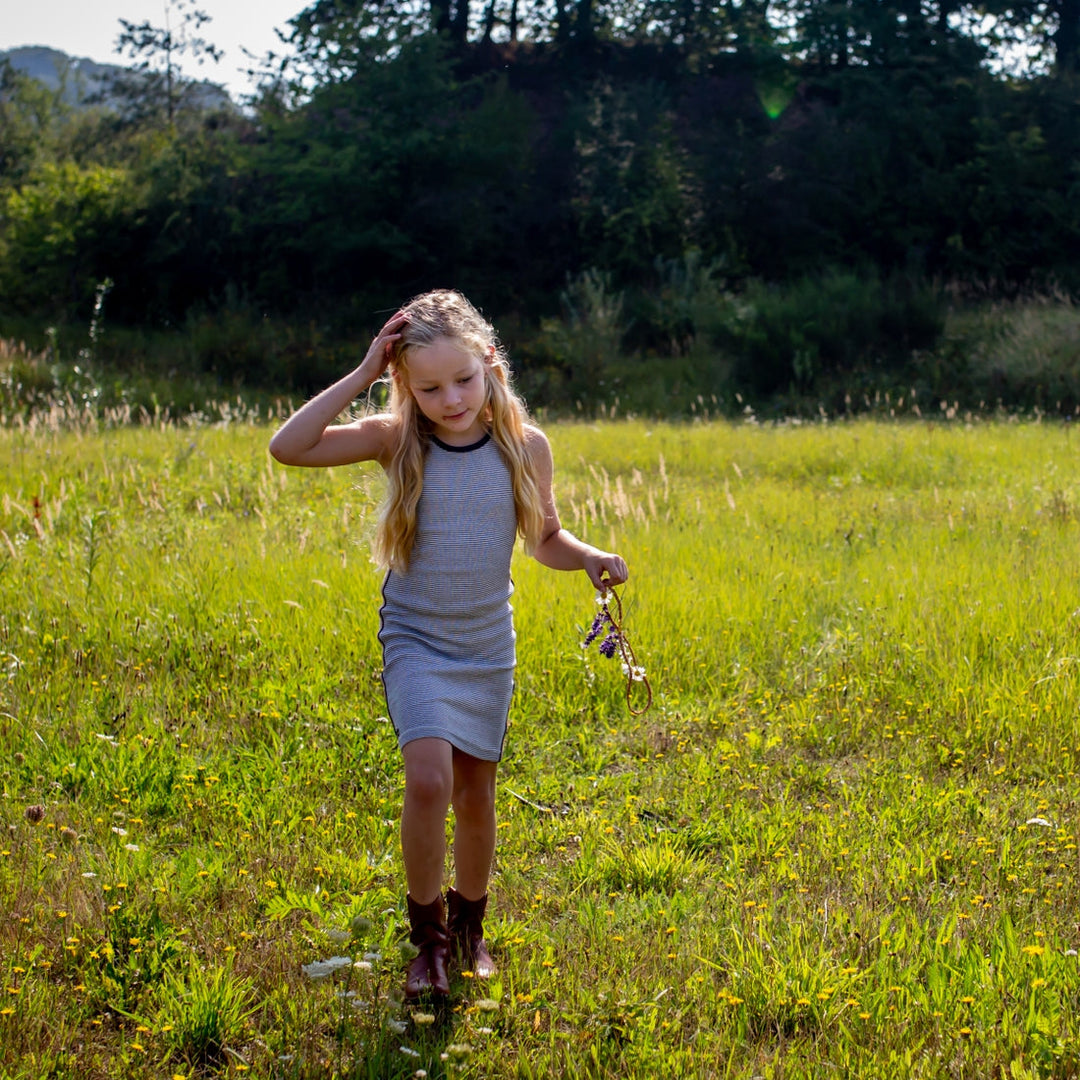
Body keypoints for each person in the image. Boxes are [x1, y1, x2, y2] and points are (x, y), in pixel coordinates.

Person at [268, 290, 628, 1001]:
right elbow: (290, 447)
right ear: (404, 384)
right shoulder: (396, 438)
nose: (451, 398)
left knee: (476, 795)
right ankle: (426, 940)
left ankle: (470, 930)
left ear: (490, 363)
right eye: (427, 387)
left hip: (486, 644)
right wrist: (365, 368)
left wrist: (587, 556)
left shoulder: (524, 447)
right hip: (418, 641)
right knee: (428, 779)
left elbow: (544, 539)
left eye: (463, 379)